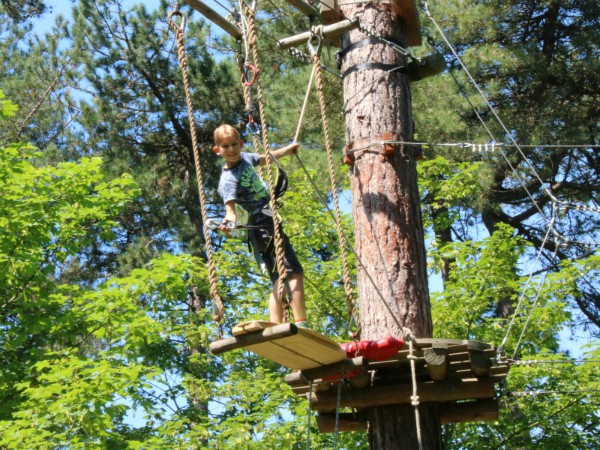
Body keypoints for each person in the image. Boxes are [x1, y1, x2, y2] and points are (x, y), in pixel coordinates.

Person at [213, 124, 308, 328]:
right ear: (217, 150)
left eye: (233, 145)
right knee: (294, 273)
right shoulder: (228, 179)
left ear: (241, 144)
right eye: (225, 146)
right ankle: (301, 324)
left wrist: (287, 151)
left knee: (279, 278)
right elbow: (230, 209)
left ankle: (275, 325)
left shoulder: (245, 157)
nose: (230, 150)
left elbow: (264, 157)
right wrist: (229, 221)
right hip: (262, 225)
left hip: (267, 223)